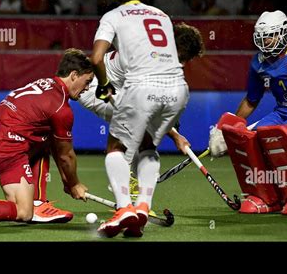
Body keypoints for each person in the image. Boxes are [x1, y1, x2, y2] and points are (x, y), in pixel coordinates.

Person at [0, 49, 94, 228]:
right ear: (74, 75)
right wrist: (75, 184)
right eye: (87, 81)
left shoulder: (43, 84)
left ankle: (38, 203)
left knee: (45, 137)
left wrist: (66, 181)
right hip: (9, 152)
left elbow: (56, 147)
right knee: (23, 212)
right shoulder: (61, 108)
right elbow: (66, 155)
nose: (87, 88)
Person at [90, 0, 189, 238]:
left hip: (142, 87)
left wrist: (105, 84)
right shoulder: (162, 15)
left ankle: (124, 209)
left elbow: (96, 58)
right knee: (147, 145)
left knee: (115, 149)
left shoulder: (112, 16)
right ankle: (143, 206)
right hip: (177, 88)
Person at [209, 10, 287, 214]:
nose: (264, 41)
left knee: (282, 141)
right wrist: (228, 127)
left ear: (283, 33)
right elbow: (252, 100)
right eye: (261, 37)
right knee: (252, 139)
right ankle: (265, 197)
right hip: (283, 111)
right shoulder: (258, 63)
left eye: (269, 36)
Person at [77, 23, 204, 196]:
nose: (181, 63)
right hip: (94, 88)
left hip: (119, 90)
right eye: (181, 58)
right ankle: (126, 181)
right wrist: (175, 137)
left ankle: (134, 183)